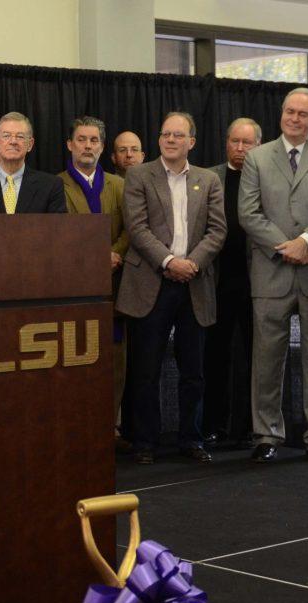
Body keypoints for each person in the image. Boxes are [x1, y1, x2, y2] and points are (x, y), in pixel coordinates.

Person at [239, 87, 308, 463]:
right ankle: (266, 436)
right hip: (271, 271)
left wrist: (306, 241)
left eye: (304, 114)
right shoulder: (256, 157)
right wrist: (287, 246)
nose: (295, 118)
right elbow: (248, 214)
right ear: (281, 114)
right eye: (290, 111)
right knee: (267, 358)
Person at [116, 112, 225, 465]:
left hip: (194, 283)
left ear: (191, 141)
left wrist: (191, 263)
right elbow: (137, 227)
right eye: (165, 134)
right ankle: (145, 442)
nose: (171, 140)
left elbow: (217, 231)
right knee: (145, 370)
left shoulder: (209, 180)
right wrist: (169, 262)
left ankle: (191, 439)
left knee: (193, 371)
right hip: (151, 280)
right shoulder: (138, 175)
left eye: (178, 135)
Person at [55, 116, 129, 438]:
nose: (87, 146)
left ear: (102, 146)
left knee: (115, 360)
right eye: (81, 140)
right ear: (70, 144)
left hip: (114, 286)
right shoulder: (54, 185)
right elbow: (57, 235)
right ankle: (77, 425)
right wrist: (93, 259)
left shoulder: (119, 185)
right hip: (73, 290)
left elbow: (132, 229)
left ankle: (111, 424)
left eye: (94, 140)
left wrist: (115, 252)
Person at [204, 117, 261, 448]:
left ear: (258, 145)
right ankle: (215, 425)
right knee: (215, 357)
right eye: (234, 142)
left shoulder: (268, 178)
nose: (239, 149)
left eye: (247, 143)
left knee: (259, 360)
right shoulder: (208, 177)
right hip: (217, 282)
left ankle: (256, 427)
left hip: (259, 283)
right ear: (226, 142)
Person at [0, 112, 66, 214]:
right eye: (6, 136)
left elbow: (58, 229)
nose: (13, 141)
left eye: (20, 136)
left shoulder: (51, 186)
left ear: (30, 144)